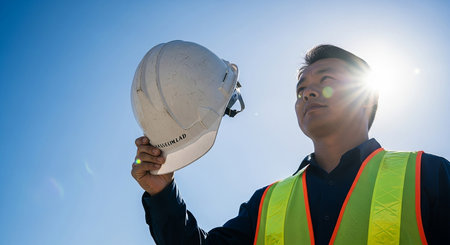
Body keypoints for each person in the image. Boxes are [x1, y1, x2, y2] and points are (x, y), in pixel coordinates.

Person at [131, 45, 450, 244]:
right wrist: (162, 194)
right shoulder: (268, 203)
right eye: (302, 89)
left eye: (327, 82)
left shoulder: (429, 176)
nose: (309, 93)